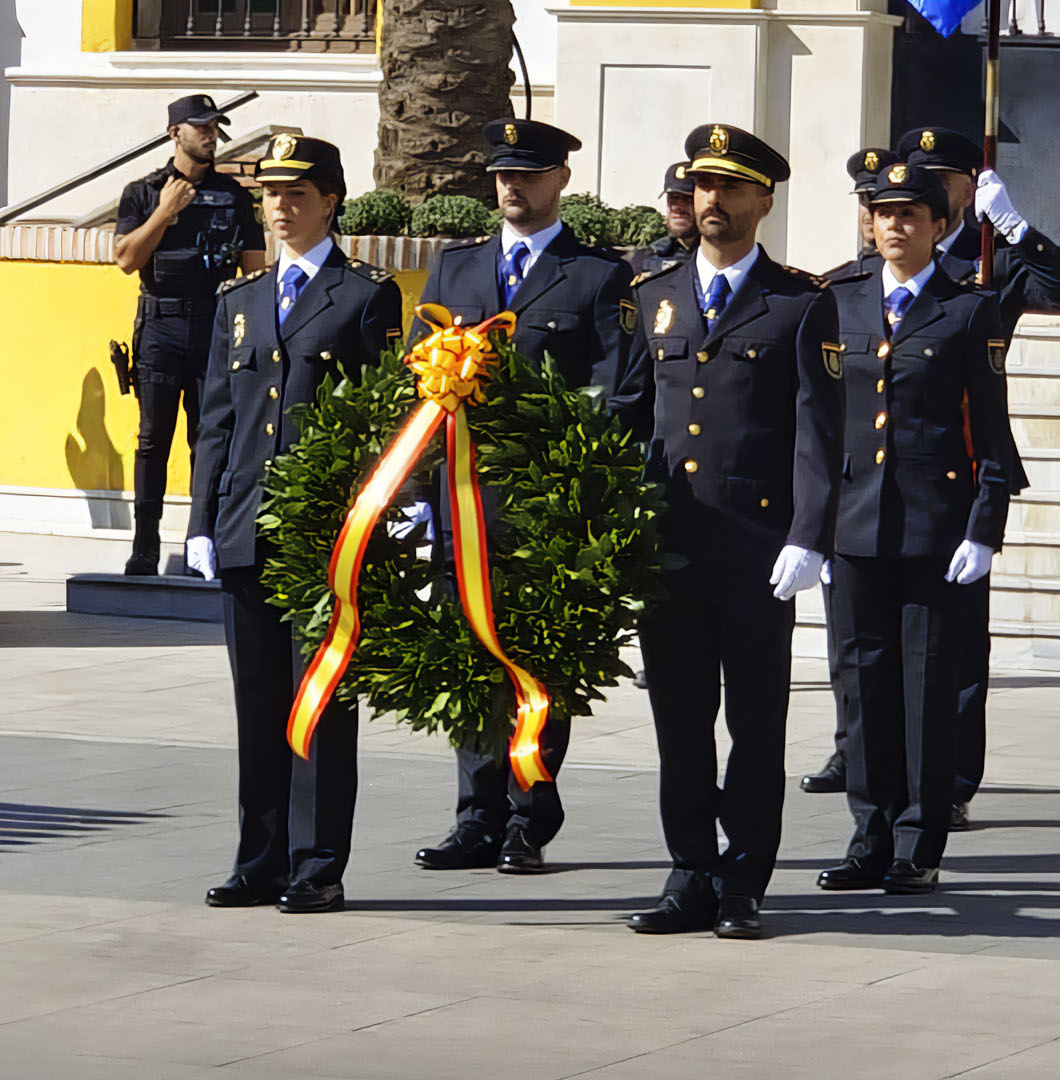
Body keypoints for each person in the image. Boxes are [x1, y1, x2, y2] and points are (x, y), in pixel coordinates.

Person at [614, 123, 843, 940]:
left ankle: (744, 879)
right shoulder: (652, 295)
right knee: (678, 720)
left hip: (756, 553)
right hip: (670, 551)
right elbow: (627, 419)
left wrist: (809, 534)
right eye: (703, 185)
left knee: (753, 724)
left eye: (731, 187)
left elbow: (821, 432)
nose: (712, 200)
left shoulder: (801, 303)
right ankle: (688, 873)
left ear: (763, 201)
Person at [409, 117, 637, 876]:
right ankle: (474, 816)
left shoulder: (598, 276)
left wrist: (575, 482)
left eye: (529, 175)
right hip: (461, 505)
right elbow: (418, 389)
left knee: (539, 668)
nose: (514, 186)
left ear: (560, 180)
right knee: (471, 662)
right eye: (504, 173)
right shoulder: (455, 270)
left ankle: (527, 816)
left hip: (544, 508)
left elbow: (616, 390)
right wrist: (413, 489)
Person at [185, 135, 405, 913]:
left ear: (332, 199)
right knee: (259, 708)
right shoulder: (238, 303)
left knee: (320, 708)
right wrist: (202, 519)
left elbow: (385, 419)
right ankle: (259, 858)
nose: (281, 206)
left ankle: (317, 864)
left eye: (299, 192)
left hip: (325, 538)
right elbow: (214, 421)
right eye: (272, 193)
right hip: (246, 529)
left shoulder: (364, 296)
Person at [815, 162, 1025, 896]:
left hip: (936, 530)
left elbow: (992, 431)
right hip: (855, 525)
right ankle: (868, 833)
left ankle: (917, 842)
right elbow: (818, 425)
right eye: (884, 212)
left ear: (939, 226)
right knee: (861, 687)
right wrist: (813, 529)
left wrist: (985, 526)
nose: (895, 224)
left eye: (912, 213)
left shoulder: (967, 311)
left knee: (927, 689)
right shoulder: (837, 303)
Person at [892, 125, 1060, 830]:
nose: (928, 189)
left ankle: (952, 778)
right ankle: (864, 756)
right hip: (893, 461)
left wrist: (1015, 227)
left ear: (971, 188)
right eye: (921, 175)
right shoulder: (894, 245)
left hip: (965, 456)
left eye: (945, 178)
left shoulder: (995, 258)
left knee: (956, 642)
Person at [114, 94, 266, 576]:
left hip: (216, 326)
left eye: (214, 127)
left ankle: (206, 541)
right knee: (152, 440)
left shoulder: (236, 196)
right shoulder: (143, 192)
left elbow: (255, 271)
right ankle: (144, 547)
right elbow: (125, 260)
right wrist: (164, 213)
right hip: (160, 325)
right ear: (174, 133)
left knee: (211, 439)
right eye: (199, 127)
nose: (210, 135)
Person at [802, 145, 903, 801]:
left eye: (890, 207)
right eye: (869, 206)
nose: (875, 219)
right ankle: (852, 748)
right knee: (850, 649)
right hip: (849, 497)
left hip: (918, 497)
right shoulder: (832, 294)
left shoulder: (958, 289)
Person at [818, 147, 896, 286]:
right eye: (862, 198)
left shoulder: (910, 276)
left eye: (875, 199)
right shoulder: (834, 282)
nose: (868, 209)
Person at [628, 161, 699, 277]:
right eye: (674, 198)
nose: (677, 207)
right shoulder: (646, 256)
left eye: (687, 199)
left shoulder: (720, 257)